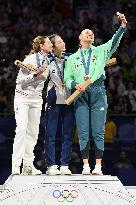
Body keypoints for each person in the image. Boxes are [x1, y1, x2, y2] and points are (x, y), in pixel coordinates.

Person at [64, 12, 127, 175]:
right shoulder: (72, 59)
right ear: (80, 38)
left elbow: (114, 42)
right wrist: (75, 84)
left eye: (91, 33)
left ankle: (97, 166)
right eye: (86, 32)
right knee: (83, 131)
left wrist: (121, 27)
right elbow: (67, 79)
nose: (89, 33)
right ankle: (85, 165)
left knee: (99, 130)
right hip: (80, 94)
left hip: (98, 92)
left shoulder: (100, 51)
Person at [12, 36, 53, 175]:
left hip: (36, 100)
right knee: (22, 129)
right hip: (22, 98)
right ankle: (16, 165)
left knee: (33, 133)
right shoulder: (29, 59)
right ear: (41, 46)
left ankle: (28, 166)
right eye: (48, 43)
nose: (51, 44)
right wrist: (35, 74)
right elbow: (19, 81)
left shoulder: (48, 61)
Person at [44, 34, 74, 175]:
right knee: (50, 134)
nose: (63, 43)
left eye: (63, 40)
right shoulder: (47, 60)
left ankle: (64, 164)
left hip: (69, 100)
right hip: (54, 101)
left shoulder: (71, 58)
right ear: (54, 47)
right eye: (60, 42)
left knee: (67, 134)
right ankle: (51, 165)